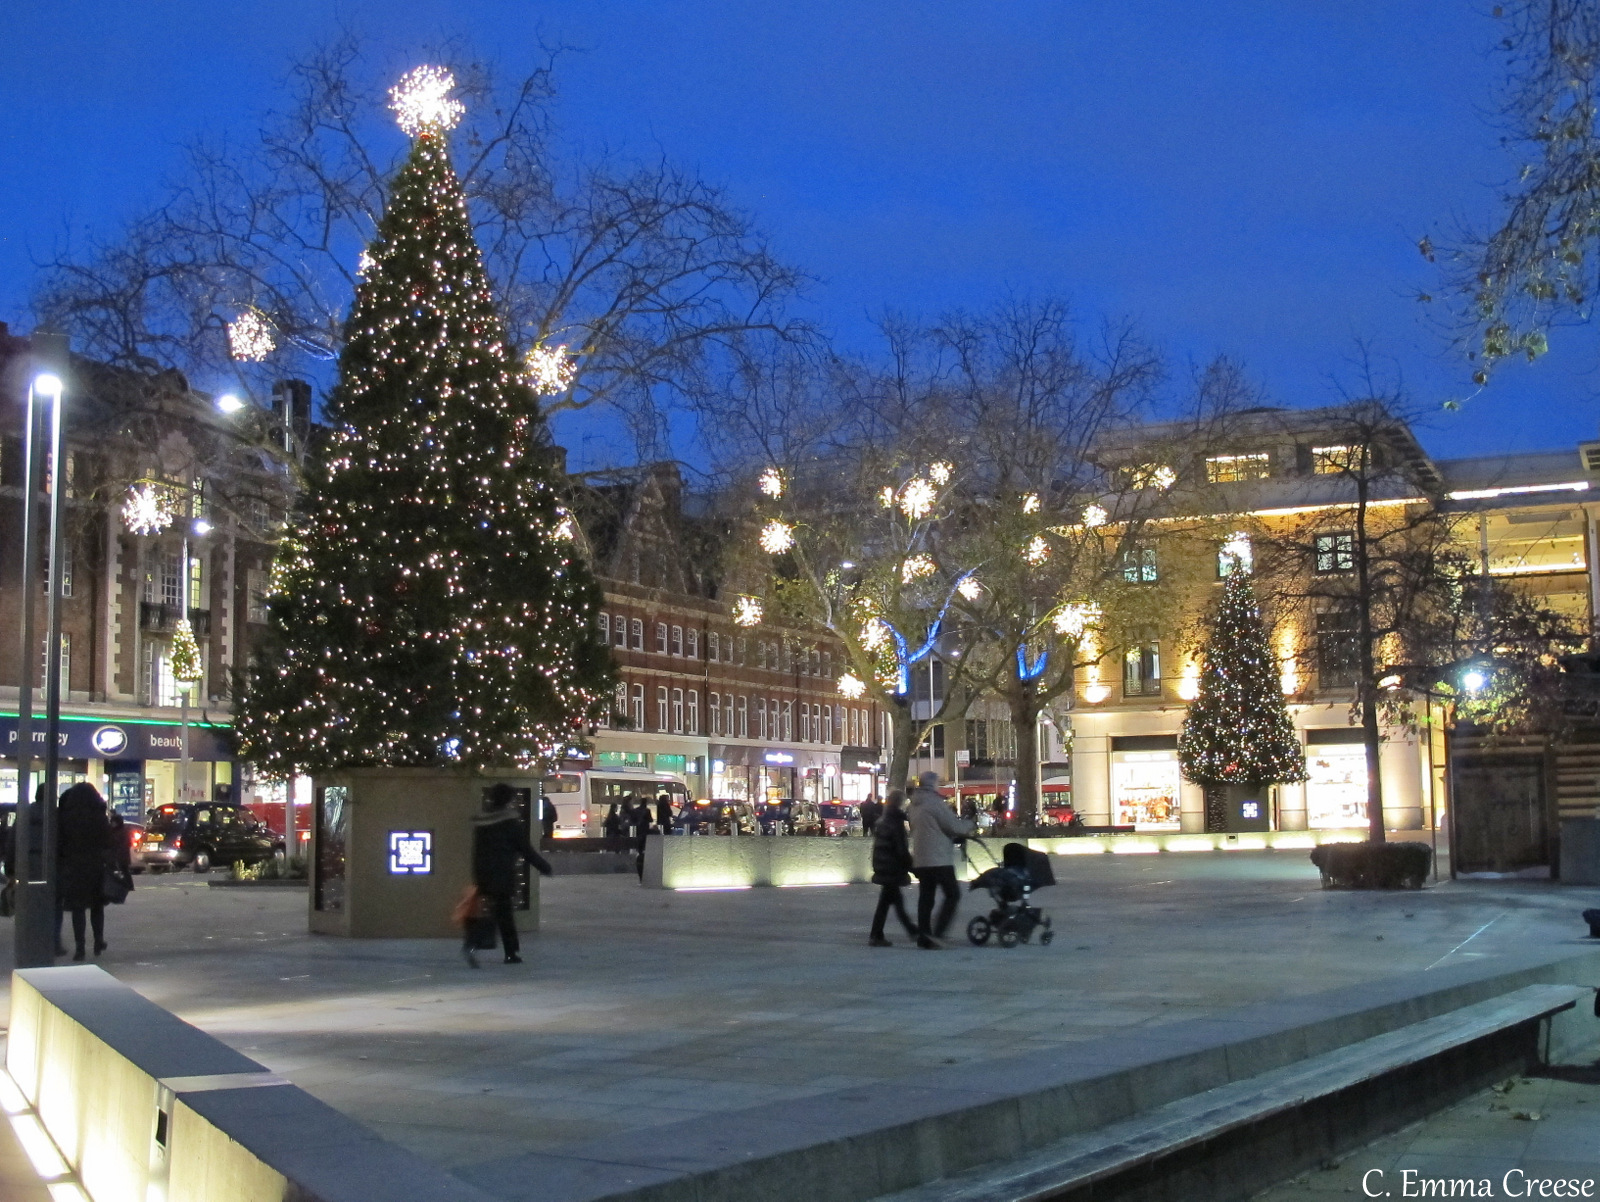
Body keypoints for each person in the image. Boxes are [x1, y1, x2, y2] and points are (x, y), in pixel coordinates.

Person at [466, 783, 553, 968]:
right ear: (508, 800)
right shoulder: (510, 823)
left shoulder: (482, 822)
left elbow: (477, 851)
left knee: (485, 911)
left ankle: (472, 943)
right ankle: (511, 953)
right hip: (502, 874)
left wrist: (478, 874)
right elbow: (525, 849)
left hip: (484, 874)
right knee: (504, 915)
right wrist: (544, 867)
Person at [906, 771, 975, 950]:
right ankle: (938, 933)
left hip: (921, 858)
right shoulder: (935, 803)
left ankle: (924, 935)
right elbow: (953, 826)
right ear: (933, 784)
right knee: (953, 894)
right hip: (939, 858)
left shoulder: (913, 805)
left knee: (926, 897)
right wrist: (970, 824)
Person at [56, 783, 115, 961]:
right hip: (96, 865)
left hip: (74, 866)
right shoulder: (99, 817)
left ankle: (80, 947)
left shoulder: (67, 818)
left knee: (78, 909)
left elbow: (60, 843)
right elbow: (108, 841)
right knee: (97, 906)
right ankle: (98, 940)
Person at [867, 790, 917, 947]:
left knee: (888, 901)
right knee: (894, 902)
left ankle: (877, 934)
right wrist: (912, 867)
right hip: (892, 868)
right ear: (900, 803)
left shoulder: (884, 820)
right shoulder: (895, 822)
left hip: (883, 866)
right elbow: (900, 849)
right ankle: (912, 931)